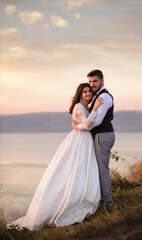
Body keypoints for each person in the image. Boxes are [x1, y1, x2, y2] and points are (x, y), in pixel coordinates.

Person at [7, 83, 103, 231]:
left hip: (84, 140)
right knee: (73, 170)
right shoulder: (79, 106)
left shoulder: (86, 107)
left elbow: (85, 124)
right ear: (80, 94)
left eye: (89, 91)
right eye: (85, 92)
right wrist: (95, 109)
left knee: (84, 170)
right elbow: (88, 124)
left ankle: (84, 197)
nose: (88, 94)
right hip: (78, 141)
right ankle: (69, 202)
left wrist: (79, 124)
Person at [72, 70, 115, 208]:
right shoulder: (95, 97)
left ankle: (107, 203)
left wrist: (78, 126)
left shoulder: (104, 97)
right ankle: (100, 199)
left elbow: (95, 122)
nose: (92, 85)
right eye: (90, 82)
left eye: (95, 81)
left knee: (102, 170)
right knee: (96, 169)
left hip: (103, 135)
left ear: (102, 80)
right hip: (99, 135)